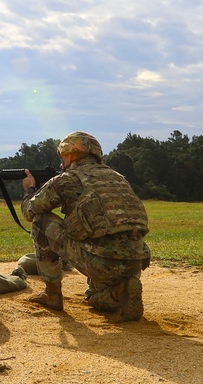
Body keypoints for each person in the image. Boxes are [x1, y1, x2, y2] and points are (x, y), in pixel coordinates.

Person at [20, 131, 151, 322]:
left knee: (41, 221)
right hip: (135, 262)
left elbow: (29, 211)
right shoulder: (118, 178)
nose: (61, 161)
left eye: (63, 155)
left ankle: (52, 295)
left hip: (101, 262)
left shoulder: (65, 179)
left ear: (71, 154)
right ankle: (119, 291)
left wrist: (30, 188)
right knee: (93, 297)